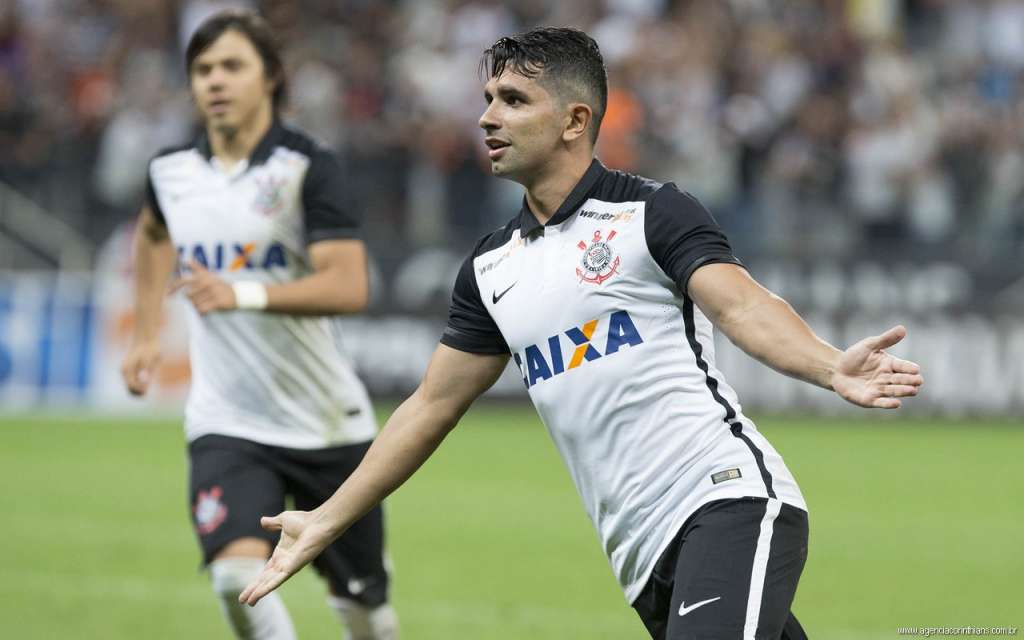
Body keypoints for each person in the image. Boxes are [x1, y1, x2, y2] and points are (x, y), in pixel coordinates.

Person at [237, 27, 923, 639]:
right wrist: (326, 518)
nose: (486, 116)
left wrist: (830, 366)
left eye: (512, 100)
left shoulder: (651, 212)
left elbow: (741, 307)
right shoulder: (489, 268)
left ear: (574, 119)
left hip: (725, 500)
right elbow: (430, 407)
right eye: (487, 98)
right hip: (640, 558)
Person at [120, 9, 398, 640]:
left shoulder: (307, 166)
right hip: (229, 420)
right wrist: (143, 331)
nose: (215, 80)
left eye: (232, 66)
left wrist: (240, 292)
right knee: (231, 579)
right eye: (202, 69)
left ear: (270, 77)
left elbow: (349, 284)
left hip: (326, 421)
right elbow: (152, 235)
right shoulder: (170, 172)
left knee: (367, 613)